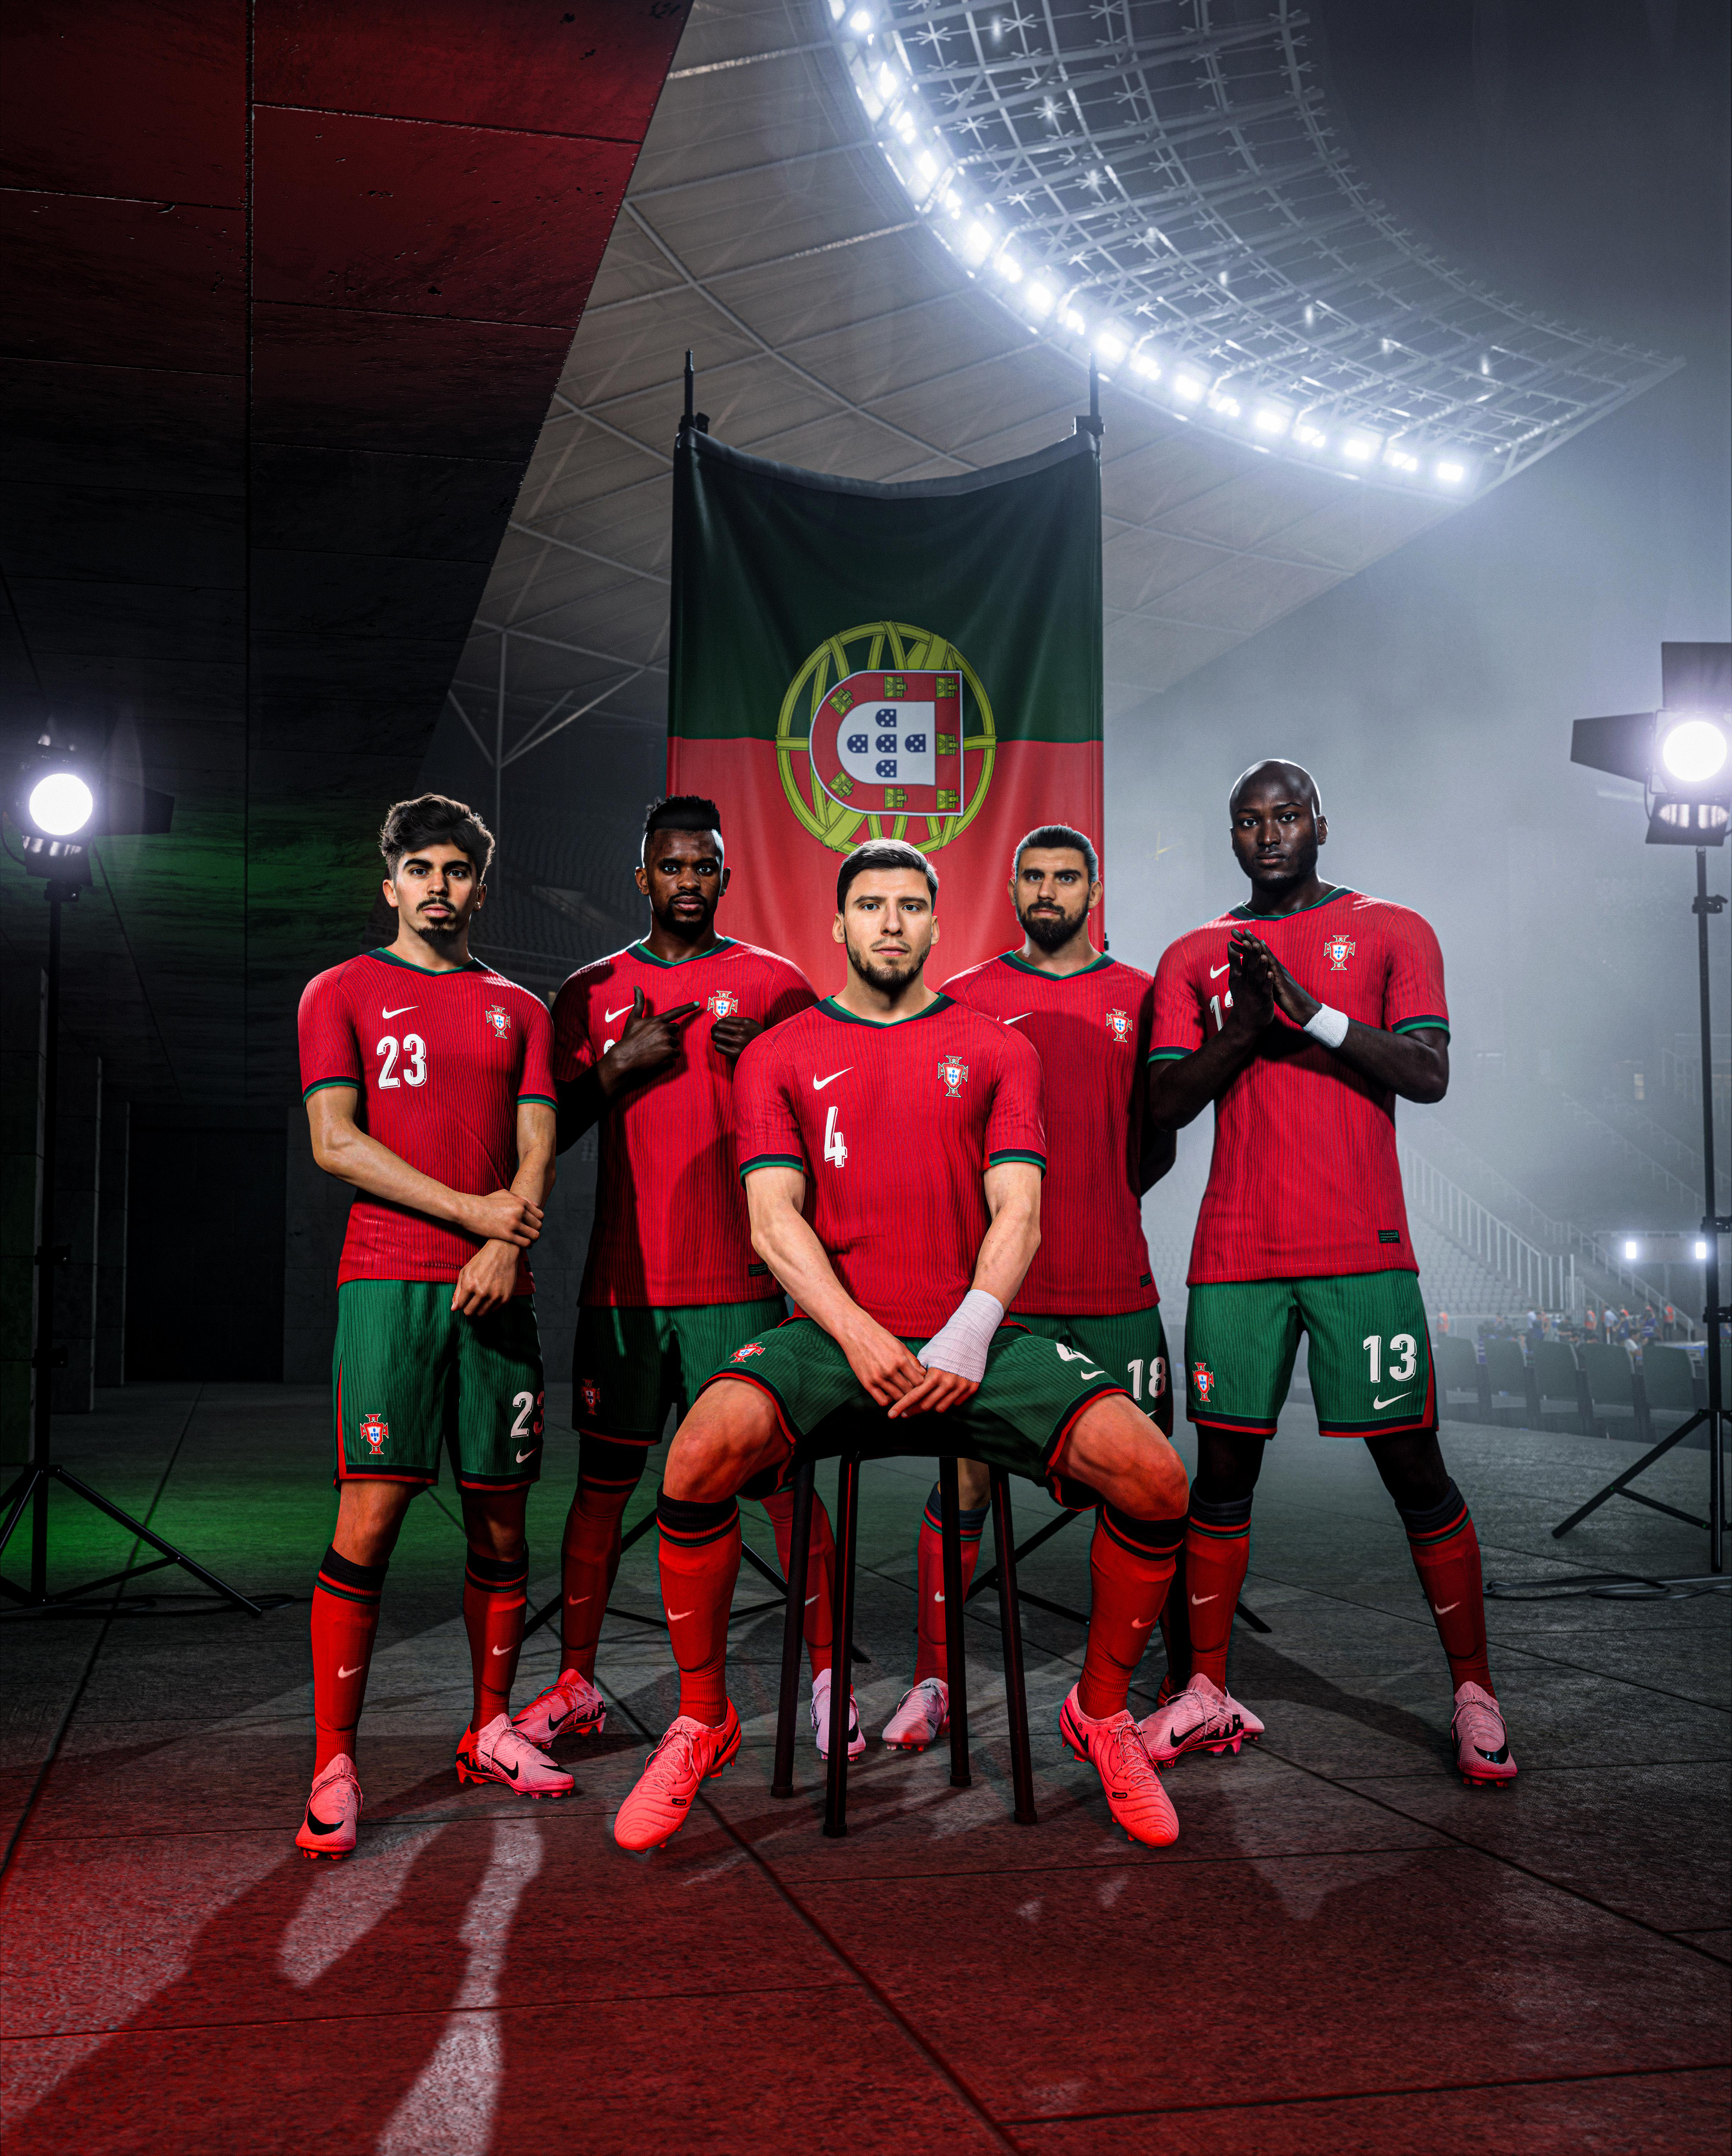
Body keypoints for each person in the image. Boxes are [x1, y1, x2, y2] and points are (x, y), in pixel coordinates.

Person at [611, 839, 1193, 1853]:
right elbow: (771, 1220)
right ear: (836, 926)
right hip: (835, 1334)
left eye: (910, 906)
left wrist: (968, 1330)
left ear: (936, 925)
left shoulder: (998, 1048)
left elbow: (1020, 1210)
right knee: (697, 1457)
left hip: (972, 1333)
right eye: (870, 905)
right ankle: (704, 1720)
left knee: (1153, 1477)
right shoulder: (781, 1054)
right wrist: (858, 1331)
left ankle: (1099, 1713)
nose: (890, 922)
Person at [1143, 760, 1516, 1789]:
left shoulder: (1396, 930)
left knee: (1413, 1468)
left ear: (1319, 822)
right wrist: (1248, 1027)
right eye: (1247, 821)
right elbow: (1168, 1105)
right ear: (1231, 836)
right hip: (1236, 1255)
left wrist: (1309, 1013)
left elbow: (1428, 1074)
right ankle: (1207, 1690)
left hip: (1363, 1250)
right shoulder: (1192, 954)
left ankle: (1474, 1692)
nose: (1267, 834)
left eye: (1285, 816)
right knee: (1219, 1477)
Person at [509, 799, 852, 1759]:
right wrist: (614, 1068)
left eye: (704, 866)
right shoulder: (590, 989)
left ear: (726, 877)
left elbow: (829, 1131)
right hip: (623, 1286)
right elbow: (549, 1131)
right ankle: (577, 1680)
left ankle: (830, 1679)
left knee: (781, 1487)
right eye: (672, 866)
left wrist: (770, 1079)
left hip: (740, 1284)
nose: (688, 882)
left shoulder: (775, 985)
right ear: (642, 877)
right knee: (603, 1487)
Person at [293, 794, 570, 1861]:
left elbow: (536, 1140)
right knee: (369, 1520)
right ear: (392, 884)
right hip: (388, 1284)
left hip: (500, 1292)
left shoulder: (520, 1007)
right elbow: (334, 1141)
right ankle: (334, 1760)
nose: (440, 887)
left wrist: (508, 1241)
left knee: (502, 1522)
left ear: (480, 887)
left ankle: (489, 1727)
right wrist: (470, 1217)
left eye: (458, 870)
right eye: (422, 870)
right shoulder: (342, 990)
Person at [878, 823, 1186, 1753]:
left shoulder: (1142, 995)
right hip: (1001, 1294)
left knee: (1149, 1488)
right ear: (1012, 890)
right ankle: (934, 1679)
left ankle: (1153, 1689)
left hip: (1115, 1285)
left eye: (1065, 876)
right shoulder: (965, 998)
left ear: (1094, 887)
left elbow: (1156, 1145)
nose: (1047, 891)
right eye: (1032, 878)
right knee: (964, 1477)